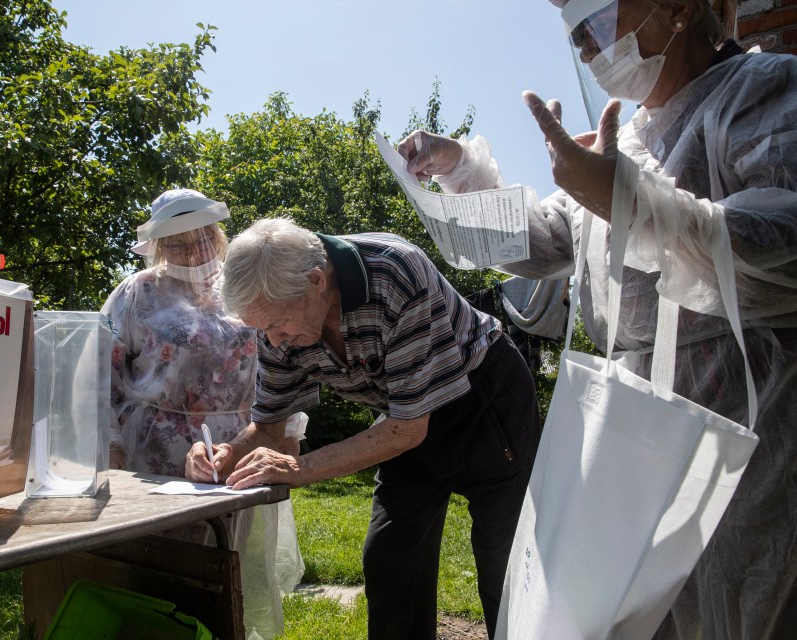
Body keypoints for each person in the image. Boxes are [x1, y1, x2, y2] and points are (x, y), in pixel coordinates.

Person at [397, 1, 797, 638]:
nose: (584, 46)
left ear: (680, 7)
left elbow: (780, 242)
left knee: (745, 597)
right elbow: (548, 242)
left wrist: (628, 199)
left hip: (749, 405)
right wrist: (459, 173)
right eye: (575, 32)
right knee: (641, 607)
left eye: (597, 22)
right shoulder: (632, 139)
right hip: (638, 411)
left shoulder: (765, 90)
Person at [184, 217, 542, 640]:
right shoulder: (277, 320)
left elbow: (409, 429)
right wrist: (227, 453)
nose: (274, 342)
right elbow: (267, 427)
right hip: (401, 415)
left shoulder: (394, 272)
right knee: (390, 560)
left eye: (278, 325)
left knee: (506, 568)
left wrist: (299, 469)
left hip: (484, 402)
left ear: (316, 280)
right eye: (264, 330)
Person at [102, 189, 305, 640]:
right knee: (164, 561)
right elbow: (103, 375)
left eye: (203, 237)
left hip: (241, 443)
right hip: (154, 451)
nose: (193, 250)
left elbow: (280, 354)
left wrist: (289, 429)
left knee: (227, 560)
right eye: (177, 242)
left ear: (219, 234)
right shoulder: (138, 292)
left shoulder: (240, 285)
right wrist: (111, 445)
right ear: (157, 246)